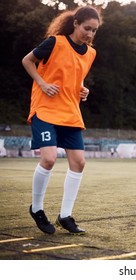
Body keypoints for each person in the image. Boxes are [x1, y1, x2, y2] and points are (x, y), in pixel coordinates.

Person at [21, 6, 101, 234]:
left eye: (94, 31)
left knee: (79, 162)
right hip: (45, 109)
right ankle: (36, 209)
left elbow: (75, 77)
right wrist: (42, 83)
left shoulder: (91, 53)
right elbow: (27, 61)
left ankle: (65, 215)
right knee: (48, 158)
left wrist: (83, 89)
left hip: (70, 112)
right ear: (75, 23)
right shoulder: (54, 43)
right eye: (87, 28)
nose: (90, 34)